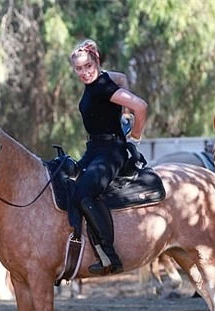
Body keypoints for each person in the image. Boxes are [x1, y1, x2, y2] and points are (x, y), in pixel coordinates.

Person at [70, 39, 148, 275]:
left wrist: (134, 135)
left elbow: (141, 106)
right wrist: (122, 114)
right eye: (79, 69)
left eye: (88, 67)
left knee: (85, 194)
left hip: (111, 151)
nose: (84, 73)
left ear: (97, 63)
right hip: (94, 150)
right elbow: (123, 77)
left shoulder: (104, 87)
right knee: (65, 177)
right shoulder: (102, 80)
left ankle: (109, 256)